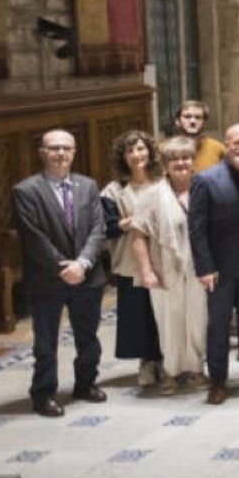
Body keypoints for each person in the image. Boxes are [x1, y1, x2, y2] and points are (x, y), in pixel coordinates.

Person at [13, 129, 107, 417]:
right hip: (47, 279)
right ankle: (43, 394)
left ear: (74, 152)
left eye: (67, 148)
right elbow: (33, 237)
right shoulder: (26, 191)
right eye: (54, 148)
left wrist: (83, 264)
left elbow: (98, 228)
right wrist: (63, 267)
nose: (61, 153)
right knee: (45, 342)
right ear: (42, 152)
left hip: (87, 275)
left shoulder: (88, 186)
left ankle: (85, 383)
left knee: (88, 337)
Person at [189, 125, 239, 405]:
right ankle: (218, 382)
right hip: (219, 268)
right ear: (226, 144)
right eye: (236, 142)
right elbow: (197, 229)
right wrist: (204, 267)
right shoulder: (205, 179)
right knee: (219, 327)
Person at [125, 137, 206, 393]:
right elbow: (138, 235)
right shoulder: (152, 194)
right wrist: (146, 270)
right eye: (174, 159)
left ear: (193, 161)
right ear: (165, 164)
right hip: (164, 267)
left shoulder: (204, 189)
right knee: (168, 321)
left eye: (186, 157)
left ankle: (196, 369)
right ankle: (170, 372)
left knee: (197, 319)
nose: (181, 163)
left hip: (200, 267)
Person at [100, 130, 163, 389]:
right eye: (130, 151)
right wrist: (135, 221)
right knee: (139, 315)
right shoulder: (113, 190)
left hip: (163, 255)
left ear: (150, 151)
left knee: (165, 311)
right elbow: (109, 227)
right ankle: (147, 362)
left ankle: (169, 358)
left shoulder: (164, 182)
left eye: (141, 149)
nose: (137, 155)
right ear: (122, 157)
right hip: (131, 261)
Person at [173, 100, 228, 170]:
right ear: (177, 121)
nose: (193, 121)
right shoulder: (164, 149)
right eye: (187, 117)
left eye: (198, 117)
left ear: (204, 122)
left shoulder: (218, 149)